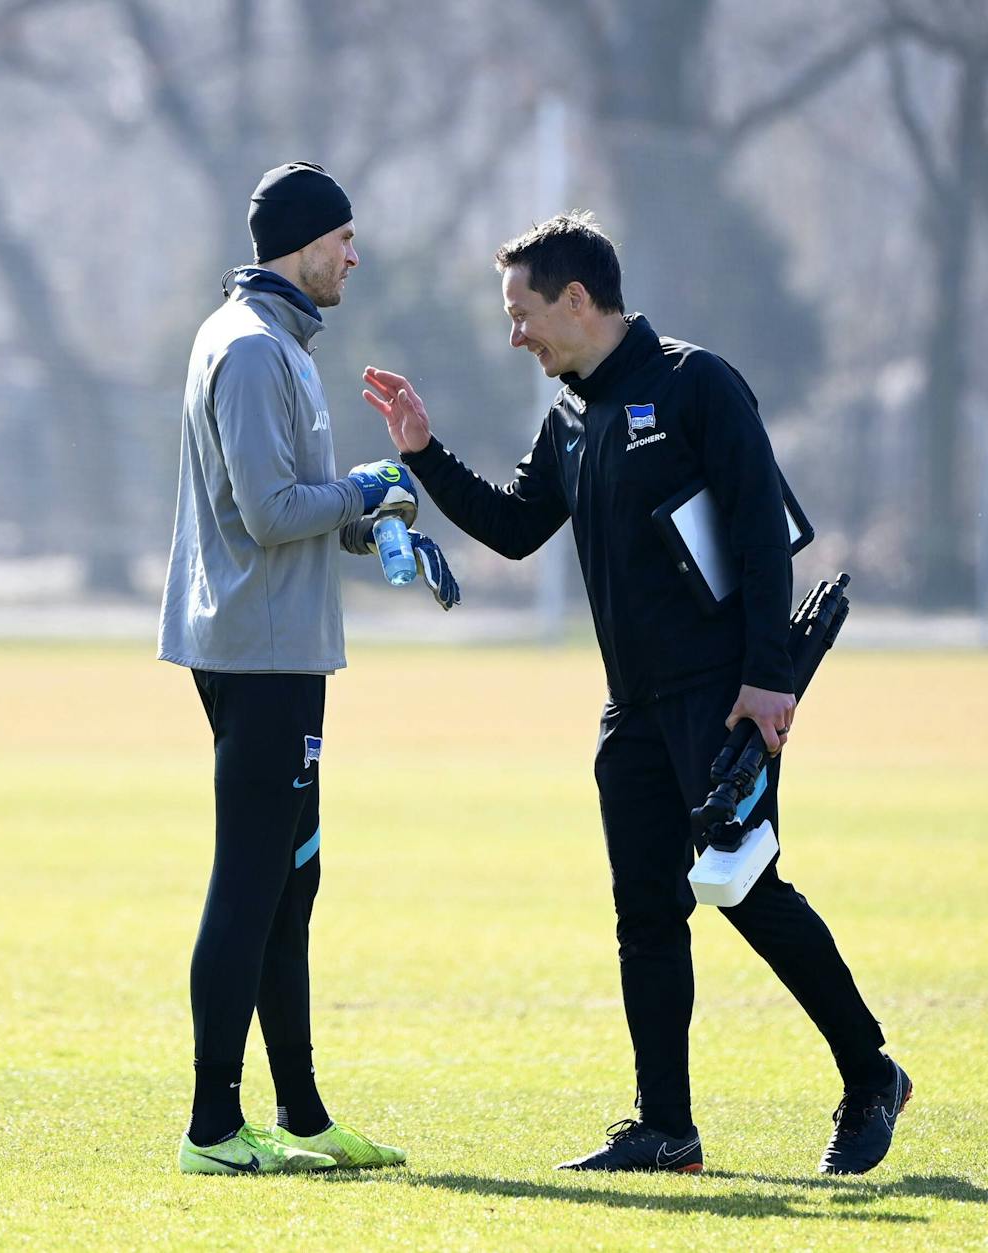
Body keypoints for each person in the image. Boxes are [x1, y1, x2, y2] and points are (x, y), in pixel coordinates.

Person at [361, 212, 908, 1176]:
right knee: (646, 910)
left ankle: (870, 1074)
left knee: (742, 885)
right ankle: (667, 1129)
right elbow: (516, 527)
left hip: (724, 698)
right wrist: (423, 451)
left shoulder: (698, 384)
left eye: (522, 312)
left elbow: (758, 532)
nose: (515, 333)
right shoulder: (569, 416)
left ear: (578, 298)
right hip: (632, 711)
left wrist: (768, 681)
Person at [160, 161, 460, 1176]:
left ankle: (299, 1113)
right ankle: (211, 1124)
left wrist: (376, 523)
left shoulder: (272, 342)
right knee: (249, 880)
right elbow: (267, 511)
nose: (353, 256)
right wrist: (367, 484)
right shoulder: (248, 349)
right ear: (301, 242)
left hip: (282, 647)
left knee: (293, 878)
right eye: (342, 239)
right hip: (262, 655)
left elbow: (293, 510)